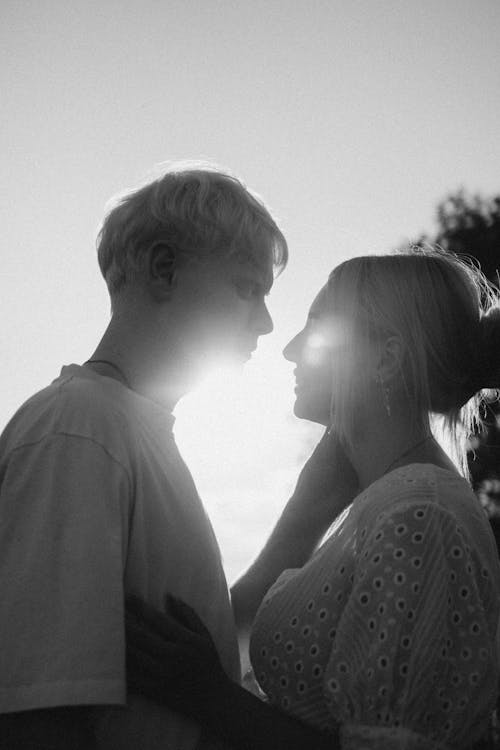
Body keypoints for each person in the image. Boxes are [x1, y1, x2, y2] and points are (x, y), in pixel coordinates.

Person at [0, 164, 356, 750]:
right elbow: (42, 713)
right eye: (247, 287)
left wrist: (309, 509)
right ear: (164, 268)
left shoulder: (133, 432)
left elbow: (198, 652)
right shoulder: (80, 430)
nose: (266, 322)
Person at [126, 248, 500, 750]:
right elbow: (231, 634)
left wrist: (208, 697)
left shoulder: (419, 515)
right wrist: (307, 509)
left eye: (319, 328)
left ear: (386, 359)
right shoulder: (387, 502)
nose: (291, 349)